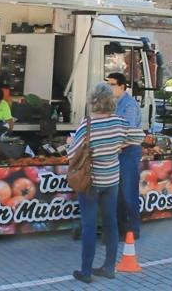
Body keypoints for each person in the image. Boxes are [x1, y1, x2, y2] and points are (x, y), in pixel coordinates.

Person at [67, 83, 144, 283]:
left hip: (90, 182)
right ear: (111, 101)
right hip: (112, 180)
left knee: (89, 225)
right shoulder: (119, 122)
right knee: (111, 224)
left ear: (93, 101)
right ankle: (109, 267)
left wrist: (69, 144)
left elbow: (72, 154)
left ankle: (86, 271)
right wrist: (119, 145)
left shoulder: (87, 125)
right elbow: (139, 136)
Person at [107, 72, 143, 240]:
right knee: (119, 194)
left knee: (128, 192)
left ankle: (133, 230)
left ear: (122, 86)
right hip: (118, 151)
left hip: (128, 152)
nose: (109, 87)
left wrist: (113, 145)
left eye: (112, 84)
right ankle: (121, 228)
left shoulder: (129, 105)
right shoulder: (114, 104)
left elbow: (127, 132)